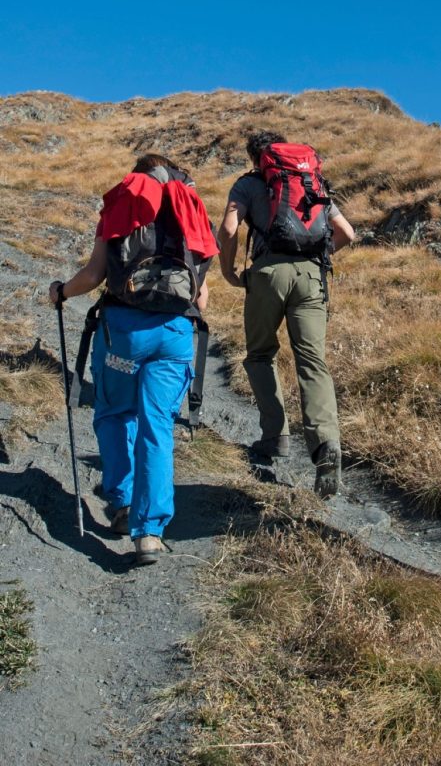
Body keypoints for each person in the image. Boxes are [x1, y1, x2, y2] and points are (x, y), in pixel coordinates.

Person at [49, 153, 217, 565]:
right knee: (157, 426)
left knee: (115, 413)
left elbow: (94, 275)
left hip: (124, 336)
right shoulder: (191, 210)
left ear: (137, 177)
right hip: (175, 335)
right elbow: (201, 297)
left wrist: (61, 292)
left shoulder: (122, 206)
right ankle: (150, 533)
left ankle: (123, 504)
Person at [218, 130, 354, 497]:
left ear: (256, 158)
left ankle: (275, 436)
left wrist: (229, 271)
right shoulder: (310, 181)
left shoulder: (249, 184)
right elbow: (347, 232)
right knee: (312, 361)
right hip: (311, 277)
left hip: (267, 275)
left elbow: (229, 228)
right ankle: (326, 444)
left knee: (260, 354)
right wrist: (317, 258)